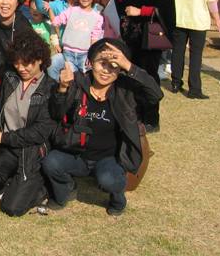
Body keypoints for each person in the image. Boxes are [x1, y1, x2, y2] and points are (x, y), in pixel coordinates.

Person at [42, 39, 163, 216]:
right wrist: (62, 88)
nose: (106, 71)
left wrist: (129, 66)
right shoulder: (77, 82)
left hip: (108, 158)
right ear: (90, 63)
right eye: (102, 63)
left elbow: (155, 94)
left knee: (108, 179)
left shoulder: (125, 90)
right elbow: (56, 113)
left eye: (114, 66)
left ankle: (118, 198)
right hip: (77, 154)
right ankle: (67, 188)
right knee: (51, 162)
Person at [0, 31, 56, 217]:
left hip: (31, 150)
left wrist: (3, 137)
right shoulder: (10, 77)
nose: (21, 68)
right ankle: (15, 181)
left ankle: (41, 186)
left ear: (40, 60)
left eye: (27, 63)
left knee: (11, 208)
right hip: (7, 146)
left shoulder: (50, 89)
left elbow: (40, 132)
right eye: (17, 62)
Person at [117, 0, 175, 133]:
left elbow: (166, 8)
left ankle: (151, 118)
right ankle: (135, 115)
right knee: (132, 73)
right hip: (132, 34)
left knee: (149, 75)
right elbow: (123, 1)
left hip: (151, 34)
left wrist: (140, 11)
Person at [49, 0, 104, 76]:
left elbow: (94, 38)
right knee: (65, 74)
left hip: (85, 55)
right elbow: (55, 22)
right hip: (68, 53)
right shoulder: (71, 11)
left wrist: (91, 55)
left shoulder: (97, 17)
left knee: (86, 78)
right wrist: (49, 9)